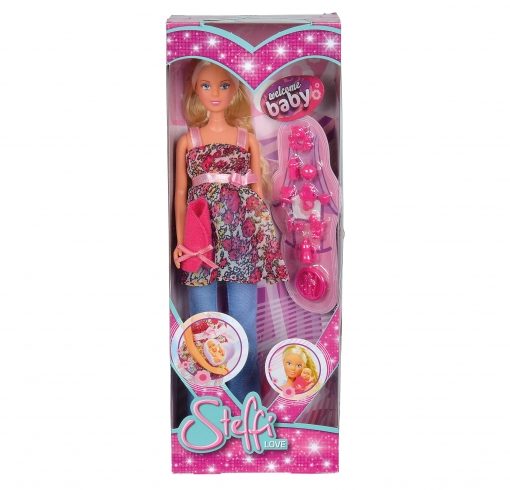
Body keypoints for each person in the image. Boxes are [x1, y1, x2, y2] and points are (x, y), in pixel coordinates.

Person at [173, 60, 288, 400]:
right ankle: (206, 399)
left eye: (224, 85)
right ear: (195, 90)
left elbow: (256, 194)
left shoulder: (246, 139)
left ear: (235, 90)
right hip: (200, 237)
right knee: (201, 321)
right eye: (206, 85)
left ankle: (246, 400)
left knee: (243, 319)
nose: (215, 93)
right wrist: (181, 242)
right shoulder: (188, 140)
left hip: (242, 236)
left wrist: (263, 242)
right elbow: (180, 193)